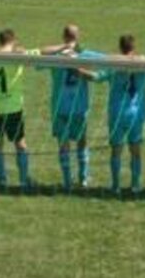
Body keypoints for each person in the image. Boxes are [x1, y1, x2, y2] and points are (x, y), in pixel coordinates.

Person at [40, 24, 99, 190]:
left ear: (63, 36)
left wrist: (60, 48)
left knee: (63, 144)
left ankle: (67, 181)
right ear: (77, 36)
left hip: (60, 107)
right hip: (79, 107)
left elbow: (39, 54)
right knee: (82, 142)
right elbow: (107, 60)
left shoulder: (56, 55)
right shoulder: (85, 54)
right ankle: (83, 178)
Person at [102, 34, 145, 194]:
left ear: (120, 47)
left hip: (117, 112)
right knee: (136, 150)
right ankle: (136, 184)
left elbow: (98, 76)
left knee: (116, 150)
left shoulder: (112, 64)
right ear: (133, 47)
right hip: (136, 113)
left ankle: (115, 185)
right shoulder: (142, 64)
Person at [0, 29, 32, 188]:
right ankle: (24, 180)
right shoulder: (19, 55)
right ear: (14, 40)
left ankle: (1, 179)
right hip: (13, 108)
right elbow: (41, 53)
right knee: (20, 143)